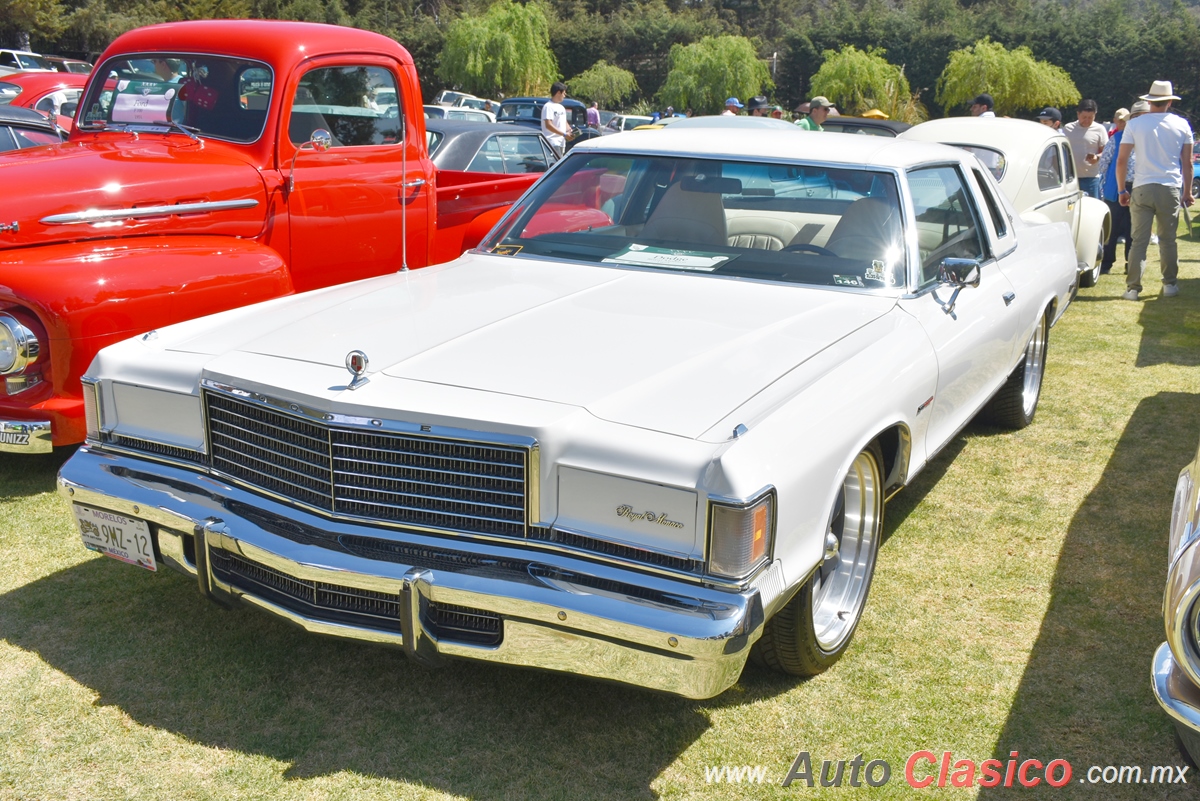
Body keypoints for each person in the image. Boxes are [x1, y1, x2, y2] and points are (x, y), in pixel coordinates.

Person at [1116, 80, 1194, 300]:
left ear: (1149, 101)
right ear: (1169, 101)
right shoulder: (1182, 124)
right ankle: (1169, 284)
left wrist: (1122, 190)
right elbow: (1187, 164)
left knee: (1138, 241)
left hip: (1142, 186)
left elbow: (1122, 161)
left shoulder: (1135, 124)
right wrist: (1187, 193)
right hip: (1169, 186)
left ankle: (1132, 288)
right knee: (1168, 239)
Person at [1097, 106, 1133, 273]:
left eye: (1124, 121)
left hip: (1133, 186)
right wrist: (1105, 183)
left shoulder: (1138, 138)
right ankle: (1106, 263)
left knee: (1132, 228)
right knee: (1112, 229)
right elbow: (1104, 163)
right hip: (1116, 187)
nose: (1121, 123)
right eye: (1118, 120)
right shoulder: (1116, 138)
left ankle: (1131, 263)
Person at [1063, 99, 1109, 199]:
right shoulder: (1068, 128)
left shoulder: (1099, 129)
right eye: (1084, 117)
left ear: (1095, 115)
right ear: (1078, 114)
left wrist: (1097, 157)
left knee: (1092, 208)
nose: (1087, 120)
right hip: (1070, 178)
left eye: (1090, 117)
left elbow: (1106, 152)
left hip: (1091, 177)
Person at [541, 82, 575, 157]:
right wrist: (564, 134)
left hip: (561, 142)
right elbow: (548, 125)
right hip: (552, 142)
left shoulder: (561, 107)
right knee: (558, 165)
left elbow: (564, 121)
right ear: (558, 93)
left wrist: (569, 130)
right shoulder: (548, 106)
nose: (564, 95)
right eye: (564, 93)